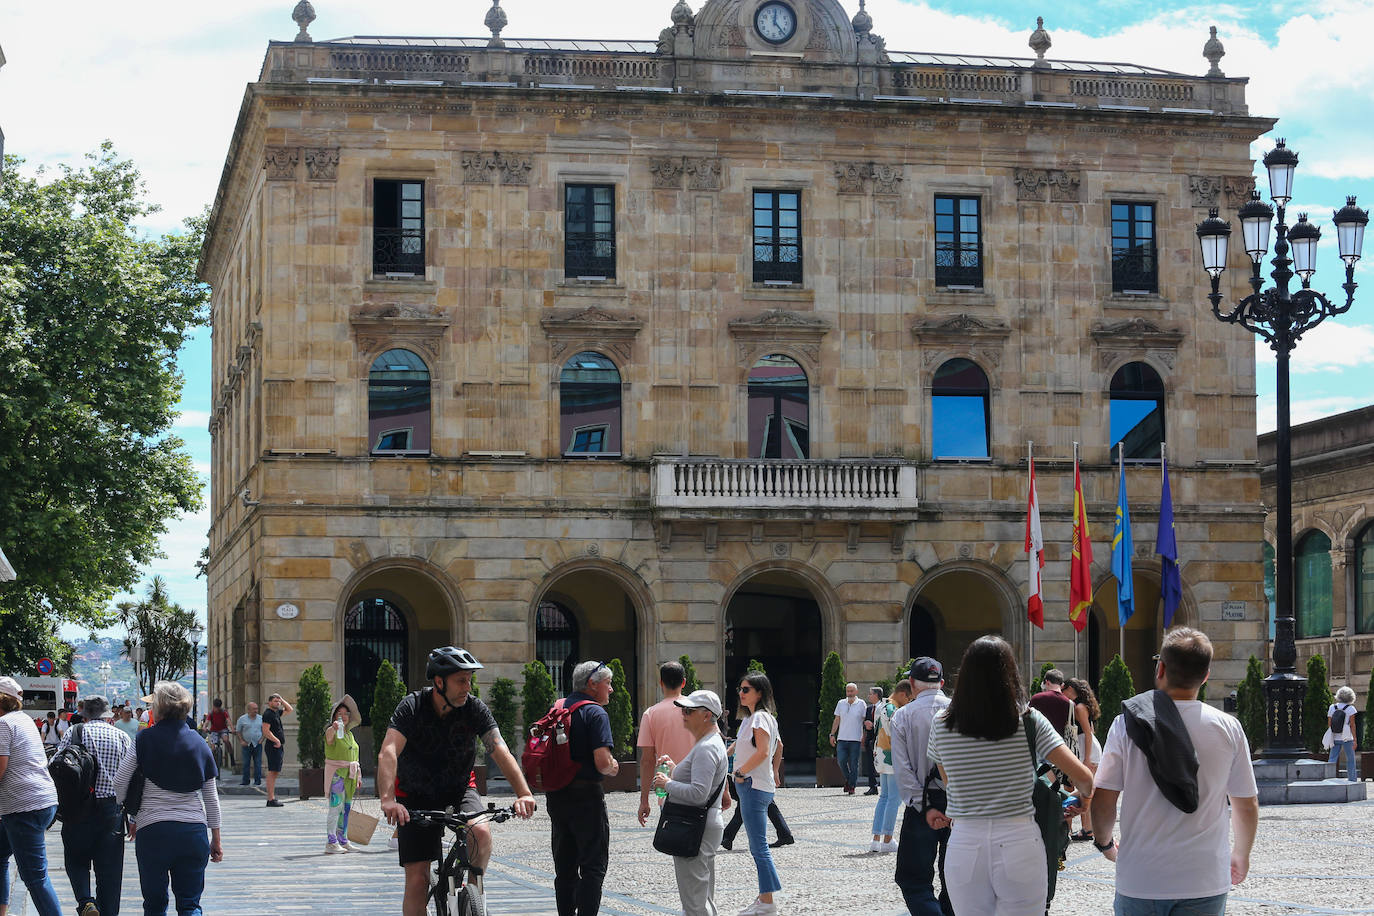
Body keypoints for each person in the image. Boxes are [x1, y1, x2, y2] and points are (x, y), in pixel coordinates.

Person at [1091, 627, 1259, 916]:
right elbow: (1245, 803)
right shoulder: (1228, 727)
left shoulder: (1125, 725)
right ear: (1206, 676)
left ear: (1161, 669)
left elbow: (1104, 799)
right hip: (1203, 878)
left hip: (1141, 878)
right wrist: (1241, 854)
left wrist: (1105, 844)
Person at [927, 636, 1095, 916]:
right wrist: (1082, 798)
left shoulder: (941, 724)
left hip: (965, 841)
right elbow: (1083, 777)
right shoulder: (1029, 721)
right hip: (1018, 840)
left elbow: (949, 783)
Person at [378, 647, 536, 916]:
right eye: (461, 680)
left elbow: (499, 749)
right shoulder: (412, 707)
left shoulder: (473, 708)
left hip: (459, 788)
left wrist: (524, 793)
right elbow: (389, 750)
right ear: (439, 682)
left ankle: (474, 893)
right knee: (417, 880)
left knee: (482, 832)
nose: (468, 686)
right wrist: (388, 800)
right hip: (415, 795)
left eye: (469, 680)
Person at [114, 681, 222, 916]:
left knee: (154, 905)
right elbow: (211, 799)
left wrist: (128, 812)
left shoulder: (143, 740)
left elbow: (121, 780)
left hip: (153, 832)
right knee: (190, 905)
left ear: (158, 709)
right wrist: (215, 839)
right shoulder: (200, 744)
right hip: (193, 832)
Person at [542, 660, 617, 916]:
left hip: (557, 795)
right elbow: (603, 762)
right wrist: (614, 766)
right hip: (586, 798)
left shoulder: (558, 707)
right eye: (608, 684)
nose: (612, 689)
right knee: (593, 867)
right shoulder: (595, 713)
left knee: (565, 868)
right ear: (592, 685)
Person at [650, 689, 730, 916]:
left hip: (696, 827)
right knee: (701, 897)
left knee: (695, 902)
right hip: (702, 825)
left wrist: (667, 784)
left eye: (689, 710)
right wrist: (675, 769)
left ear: (706, 715)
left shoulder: (706, 747)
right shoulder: (708, 743)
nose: (683, 714)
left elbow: (698, 793)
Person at [57, 695, 132, 916]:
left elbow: (57, 764)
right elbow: (131, 775)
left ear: (84, 714)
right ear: (108, 714)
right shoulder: (121, 736)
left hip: (78, 807)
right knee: (109, 870)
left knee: (75, 858)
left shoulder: (75, 732)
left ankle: (86, 901)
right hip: (111, 809)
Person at [890, 656, 954, 916]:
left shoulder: (903, 716)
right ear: (940, 682)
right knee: (955, 878)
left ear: (913, 683)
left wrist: (922, 804)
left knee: (913, 879)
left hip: (921, 806)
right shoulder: (960, 712)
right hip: (958, 804)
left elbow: (903, 770)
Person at [0, 676, 63, 916]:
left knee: (34, 877)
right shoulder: (24, 720)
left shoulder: (3, 724)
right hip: (41, 801)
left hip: (23, 806)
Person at [732, 671, 783, 916]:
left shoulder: (761, 718)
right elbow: (736, 746)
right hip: (752, 785)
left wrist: (741, 771)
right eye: (740, 689)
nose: (741, 693)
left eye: (746, 690)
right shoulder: (751, 719)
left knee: (759, 846)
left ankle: (767, 902)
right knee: (758, 845)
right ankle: (765, 897)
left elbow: (764, 751)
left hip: (753, 785)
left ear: (759, 693)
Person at [637, 661, 699, 828]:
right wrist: (725, 788)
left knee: (677, 842)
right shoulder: (698, 709)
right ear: (684, 682)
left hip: (669, 789)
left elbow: (647, 761)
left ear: (661, 683)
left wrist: (644, 800)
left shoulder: (650, 714)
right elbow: (716, 749)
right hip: (700, 784)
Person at [720, 731, 791, 851]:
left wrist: (775, 770)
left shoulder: (758, 721)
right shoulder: (764, 722)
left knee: (747, 804)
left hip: (751, 774)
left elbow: (778, 745)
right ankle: (785, 834)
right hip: (757, 774)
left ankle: (728, 837)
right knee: (758, 804)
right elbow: (779, 745)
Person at [869, 681, 910, 852]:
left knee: (885, 797)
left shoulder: (883, 707)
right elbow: (897, 735)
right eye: (909, 698)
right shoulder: (893, 709)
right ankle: (887, 839)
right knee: (893, 799)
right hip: (891, 756)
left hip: (881, 755)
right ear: (902, 694)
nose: (909, 702)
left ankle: (876, 839)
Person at [1062, 677, 1102, 841]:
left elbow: (1087, 732)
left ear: (1070, 689)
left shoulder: (1078, 707)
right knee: (1086, 790)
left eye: (1064, 690)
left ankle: (1087, 829)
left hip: (1087, 749)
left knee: (1086, 790)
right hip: (1087, 747)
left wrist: (1086, 758)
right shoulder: (1081, 706)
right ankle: (1087, 829)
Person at [323, 695, 362, 853]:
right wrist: (333, 727)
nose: (343, 717)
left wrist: (358, 776)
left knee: (346, 808)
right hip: (337, 775)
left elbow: (355, 757)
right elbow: (330, 737)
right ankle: (331, 842)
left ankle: (343, 840)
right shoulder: (332, 731)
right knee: (335, 807)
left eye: (346, 714)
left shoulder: (349, 734)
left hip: (350, 776)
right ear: (334, 717)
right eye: (340, 714)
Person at [830, 682, 867, 794]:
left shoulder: (861, 704)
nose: (849, 693)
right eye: (848, 691)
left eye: (851, 691)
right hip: (842, 738)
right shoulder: (841, 703)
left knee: (854, 764)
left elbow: (865, 721)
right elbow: (837, 720)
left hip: (855, 739)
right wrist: (832, 734)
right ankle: (849, 780)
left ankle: (851, 786)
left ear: (856, 692)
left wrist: (864, 737)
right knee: (841, 761)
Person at [261, 693, 294, 807]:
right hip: (273, 746)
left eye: (278, 701)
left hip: (278, 746)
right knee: (272, 772)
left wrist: (282, 699)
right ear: (269, 702)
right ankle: (270, 799)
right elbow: (265, 730)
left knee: (275, 772)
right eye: (275, 701)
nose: (278, 703)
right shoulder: (268, 714)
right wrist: (276, 740)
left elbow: (290, 709)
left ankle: (272, 798)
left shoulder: (276, 713)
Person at [1028, 668, 1074, 741]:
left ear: (1047, 682)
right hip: (1060, 743)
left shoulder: (1036, 698)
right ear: (1062, 685)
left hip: (1039, 742)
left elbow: (1028, 721)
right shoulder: (1070, 703)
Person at [1328, 686, 1359, 782]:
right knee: (1350, 759)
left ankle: (1328, 778)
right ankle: (1352, 780)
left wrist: (1331, 735)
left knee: (1332, 759)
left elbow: (1329, 723)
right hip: (1347, 737)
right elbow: (1352, 725)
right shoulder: (1351, 709)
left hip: (1335, 736)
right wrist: (1355, 739)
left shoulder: (1332, 707)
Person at [235, 701, 263, 787]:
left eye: (257, 709)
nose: (256, 710)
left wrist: (262, 739)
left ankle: (257, 781)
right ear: (249, 710)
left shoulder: (261, 718)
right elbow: (238, 731)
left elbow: (265, 730)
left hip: (257, 744)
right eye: (254, 709)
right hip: (246, 744)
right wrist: (241, 741)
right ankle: (245, 781)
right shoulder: (242, 719)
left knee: (257, 763)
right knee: (246, 763)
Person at [861, 686, 883, 795]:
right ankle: (873, 787)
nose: (868, 696)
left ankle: (884, 786)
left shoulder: (883, 707)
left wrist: (873, 726)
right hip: (870, 740)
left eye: (870, 694)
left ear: (876, 695)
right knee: (870, 764)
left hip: (881, 740)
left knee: (882, 764)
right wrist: (866, 725)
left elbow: (884, 725)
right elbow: (865, 723)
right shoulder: (869, 709)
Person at [206, 699, 234, 768]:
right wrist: (204, 727)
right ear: (214, 706)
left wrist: (232, 729)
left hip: (223, 729)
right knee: (213, 748)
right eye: (216, 708)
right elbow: (207, 722)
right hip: (214, 730)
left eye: (218, 708)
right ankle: (212, 762)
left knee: (226, 740)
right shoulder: (211, 713)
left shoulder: (224, 712)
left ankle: (231, 756)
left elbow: (228, 720)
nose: (217, 710)